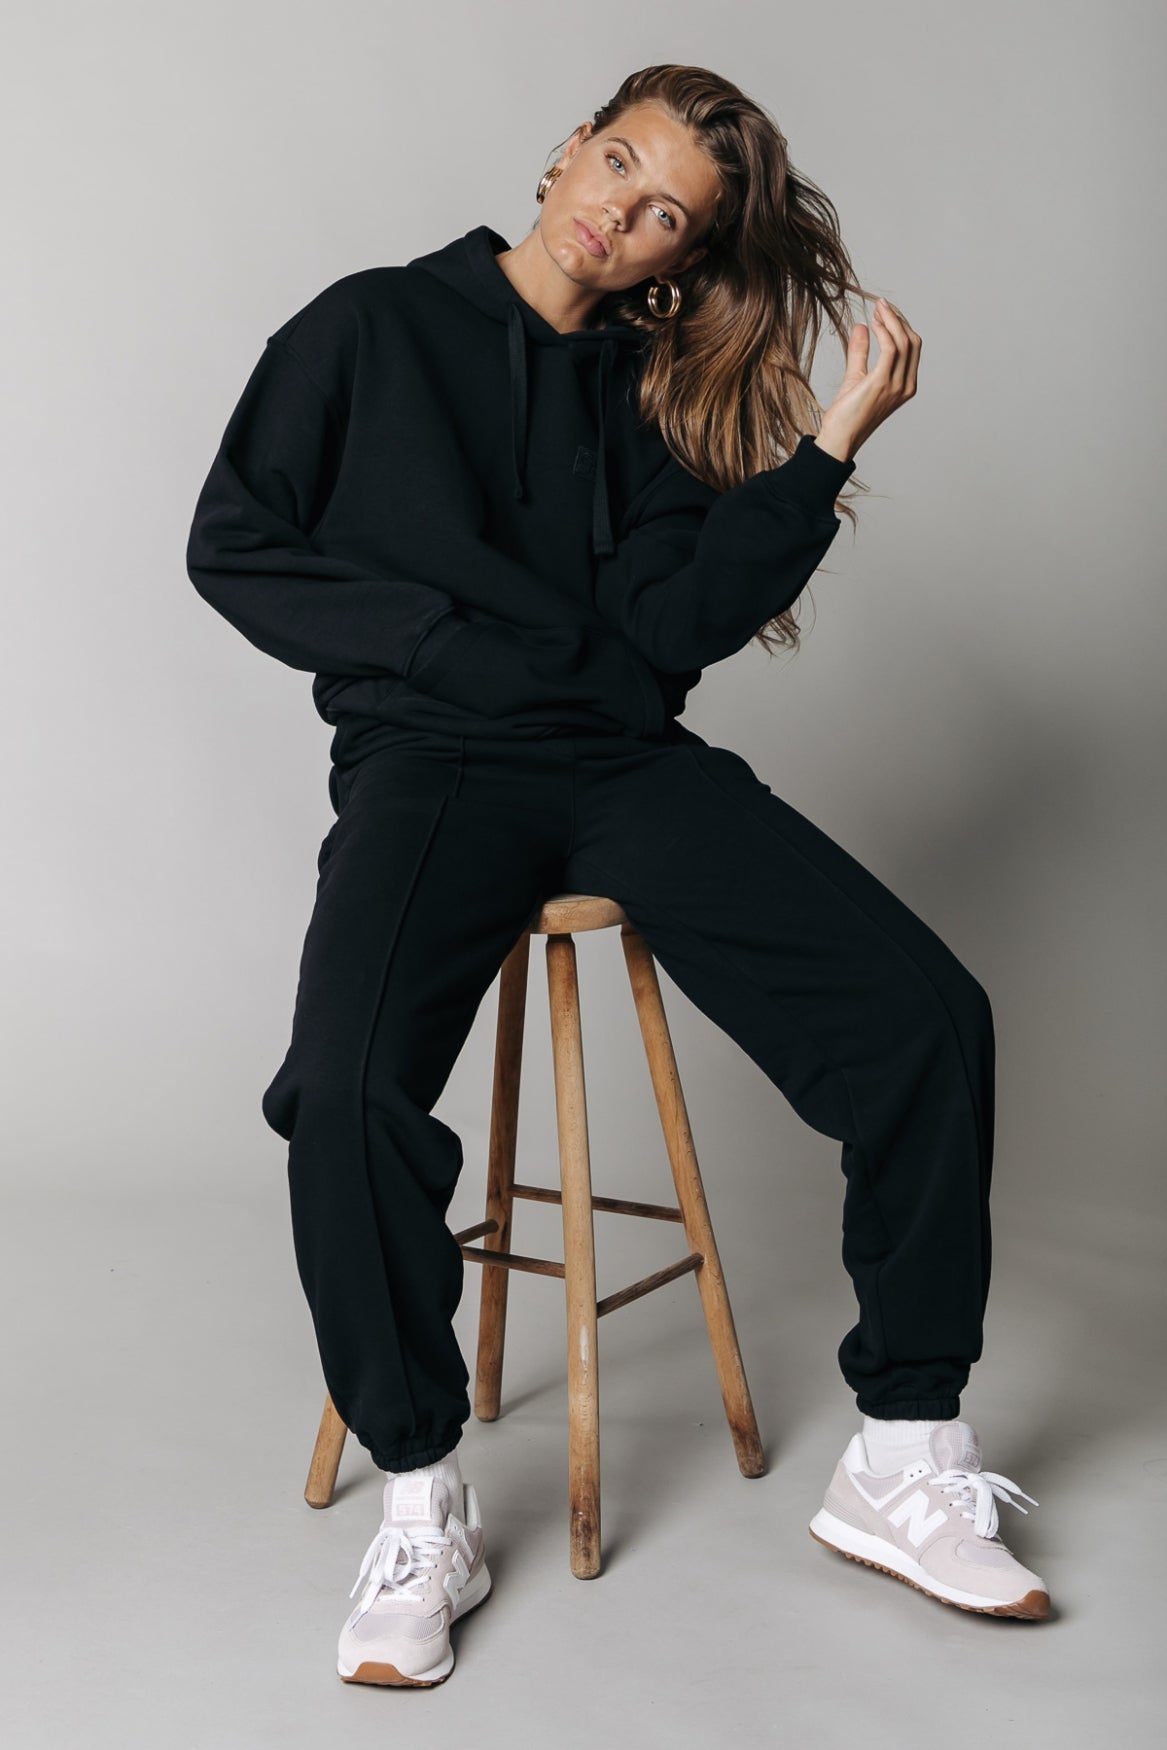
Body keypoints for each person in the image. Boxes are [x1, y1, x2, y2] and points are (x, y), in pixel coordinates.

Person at [185, 64, 1050, 1687]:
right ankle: (424, 1497)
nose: (622, 212)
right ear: (567, 150)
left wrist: (828, 446)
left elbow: (669, 632)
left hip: (623, 767)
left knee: (927, 1016)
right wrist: (440, 646)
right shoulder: (371, 327)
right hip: (432, 763)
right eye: (619, 164)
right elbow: (234, 539)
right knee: (345, 1093)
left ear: (678, 258)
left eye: (666, 214)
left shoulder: (651, 401)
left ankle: (905, 1450)